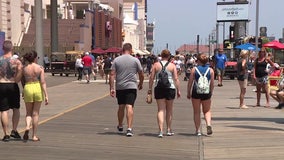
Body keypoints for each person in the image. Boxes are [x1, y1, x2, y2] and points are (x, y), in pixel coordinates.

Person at [109, 43, 144, 137]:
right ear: (131, 50)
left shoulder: (116, 60)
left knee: (121, 106)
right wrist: (140, 83)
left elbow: (112, 74)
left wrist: (112, 88)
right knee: (129, 106)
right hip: (132, 86)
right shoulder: (135, 60)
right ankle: (129, 128)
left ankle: (120, 125)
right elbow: (141, 73)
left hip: (120, 86)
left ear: (122, 50)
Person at [148, 49, 181, 138]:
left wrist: (150, 89)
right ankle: (169, 129)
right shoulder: (172, 65)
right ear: (169, 56)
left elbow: (151, 78)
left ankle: (160, 131)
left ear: (161, 56)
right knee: (169, 110)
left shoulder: (156, 65)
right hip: (170, 88)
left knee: (160, 110)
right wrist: (178, 90)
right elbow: (176, 78)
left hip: (159, 88)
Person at [22, 51, 48, 142]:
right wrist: (46, 95)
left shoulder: (24, 68)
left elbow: (22, 80)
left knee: (28, 113)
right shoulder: (39, 68)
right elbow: (43, 82)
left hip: (28, 87)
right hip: (37, 87)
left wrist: (23, 91)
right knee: (35, 113)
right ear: (35, 58)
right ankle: (34, 136)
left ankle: (27, 126)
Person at [0, 40, 23, 141]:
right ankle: (14, 130)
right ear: (12, 48)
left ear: (3, 48)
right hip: (13, 85)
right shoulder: (17, 62)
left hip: (2, 84)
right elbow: (20, 72)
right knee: (16, 108)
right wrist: (16, 80)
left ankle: (6, 134)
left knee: (4, 110)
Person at [187, 53, 214, 136]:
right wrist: (211, 92)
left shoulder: (194, 69)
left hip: (196, 91)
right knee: (207, 110)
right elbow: (212, 84)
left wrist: (188, 92)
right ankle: (208, 124)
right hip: (206, 92)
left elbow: (190, 82)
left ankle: (198, 130)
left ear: (198, 61)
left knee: (196, 112)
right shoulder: (210, 70)